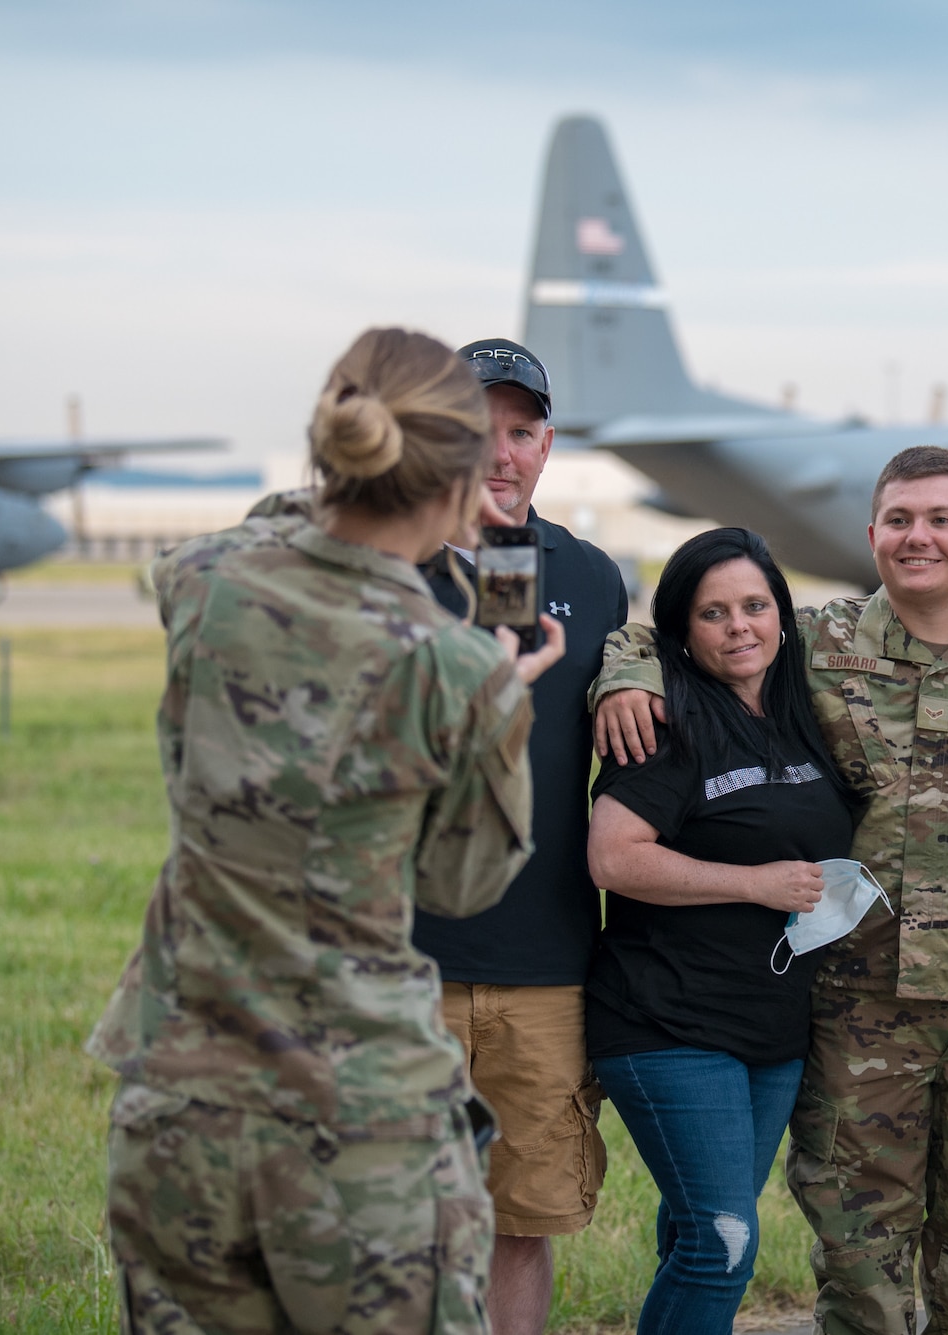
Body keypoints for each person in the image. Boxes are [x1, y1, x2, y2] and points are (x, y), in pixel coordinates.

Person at [86, 327, 564, 1334]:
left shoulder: (207, 584)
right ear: (467, 475)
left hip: (178, 1098)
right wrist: (499, 714)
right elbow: (465, 884)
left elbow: (272, 534)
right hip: (360, 1119)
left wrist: (382, 495)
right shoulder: (453, 667)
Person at [596, 446, 948, 1335]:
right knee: (860, 1260)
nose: (918, 536)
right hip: (856, 1012)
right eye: (899, 519)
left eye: (940, 519)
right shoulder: (815, 644)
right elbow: (666, 630)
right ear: (872, 536)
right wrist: (626, 679)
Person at [583, 526, 857, 1334]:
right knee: (725, 1242)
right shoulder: (663, 719)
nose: (739, 625)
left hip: (770, 1029)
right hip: (667, 1019)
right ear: (681, 628)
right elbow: (613, 857)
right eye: (713, 612)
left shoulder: (801, 710)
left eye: (754, 605)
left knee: (696, 1227)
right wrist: (754, 883)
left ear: (781, 614)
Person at [410, 337, 629, 1335]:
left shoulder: (591, 577)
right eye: (477, 429)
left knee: (519, 1223)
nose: (501, 452)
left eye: (522, 430)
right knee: (396, 1226)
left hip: (543, 963)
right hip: (398, 961)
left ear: (548, 446)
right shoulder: (381, 572)